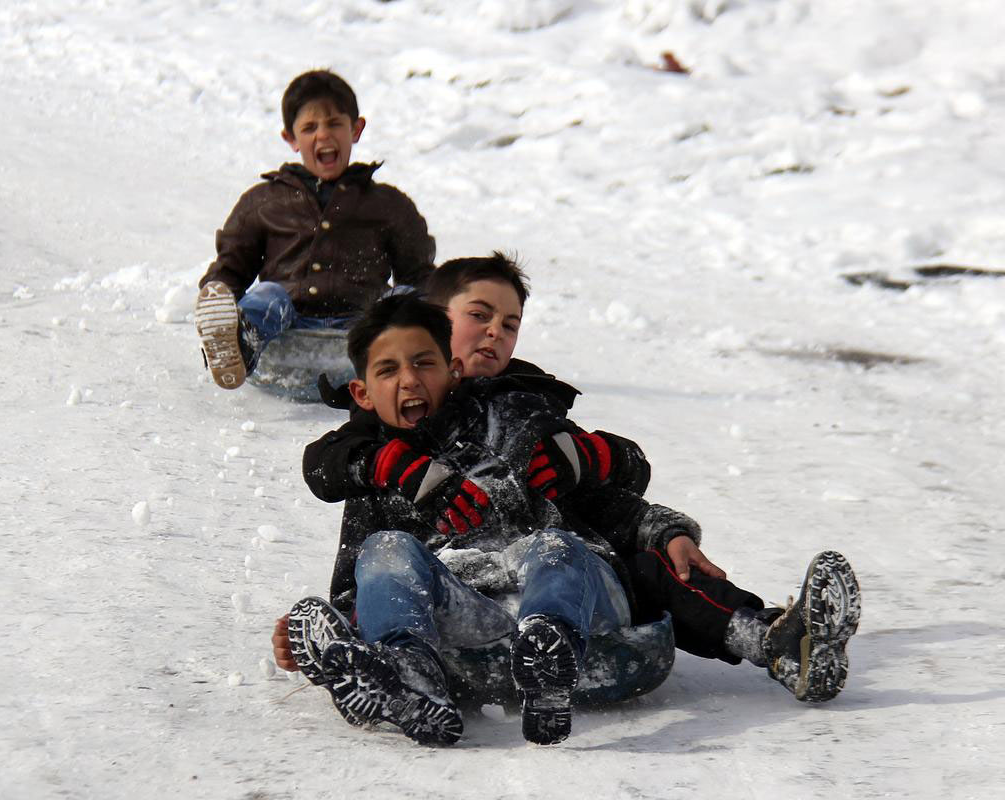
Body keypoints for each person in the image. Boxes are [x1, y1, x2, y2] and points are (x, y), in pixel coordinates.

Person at [283, 286, 862, 747]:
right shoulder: (372, 467)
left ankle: (554, 654)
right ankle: (408, 674)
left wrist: (663, 528)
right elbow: (351, 535)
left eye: (424, 363)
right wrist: (333, 630)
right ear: (362, 392)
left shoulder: (518, 420)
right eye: (389, 371)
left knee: (568, 548)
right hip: (467, 611)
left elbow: (603, 494)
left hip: (563, 598)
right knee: (385, 548)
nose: (409, 379)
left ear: (450, 368)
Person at [194, 69, 436, 390]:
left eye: (335, 123)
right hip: (283, 332)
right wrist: (218, 298)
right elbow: (232, 268)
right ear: (291, 139)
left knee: (404, 299)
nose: (323, 135)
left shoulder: (387, 205)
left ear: (356, 129)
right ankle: (238, 343)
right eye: (309, 128)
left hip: (363, 335)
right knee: (268, 294)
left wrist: (438, 313)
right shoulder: (266, 202)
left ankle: (416, 362)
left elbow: (419, 275)